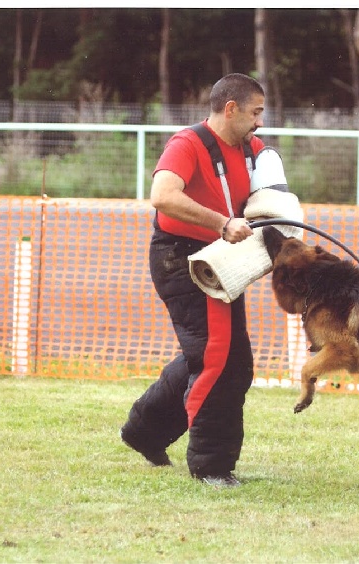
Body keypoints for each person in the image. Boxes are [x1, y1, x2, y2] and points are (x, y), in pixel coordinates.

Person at [119, 73, 266, 486]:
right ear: (231, 108)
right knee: (223, 360)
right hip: (180, 258)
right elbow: (163, 196)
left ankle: (144, 431)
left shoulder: (253, 149)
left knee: (208, 355)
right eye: (255, 112)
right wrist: (222, 223)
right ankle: (211, 466)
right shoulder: (187, 143)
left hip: (221, 261)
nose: (260, 122)